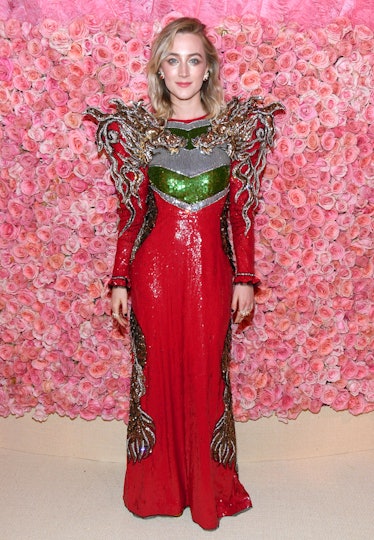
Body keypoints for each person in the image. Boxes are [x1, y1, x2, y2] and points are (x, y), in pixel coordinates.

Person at [88, 17, 283, 530]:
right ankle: (157, 491)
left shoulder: (235, 132)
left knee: (208, 375)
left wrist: (245, 277)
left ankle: (207, 489)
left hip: (215, 277)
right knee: (154, 377)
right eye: (172, 59)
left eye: (193, 59)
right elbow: (131, 215)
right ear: (159, 68)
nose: (182, 70)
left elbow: (242, 215)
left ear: (207, 70)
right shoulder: (141, 135)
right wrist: (120, 279)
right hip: (154, 275)